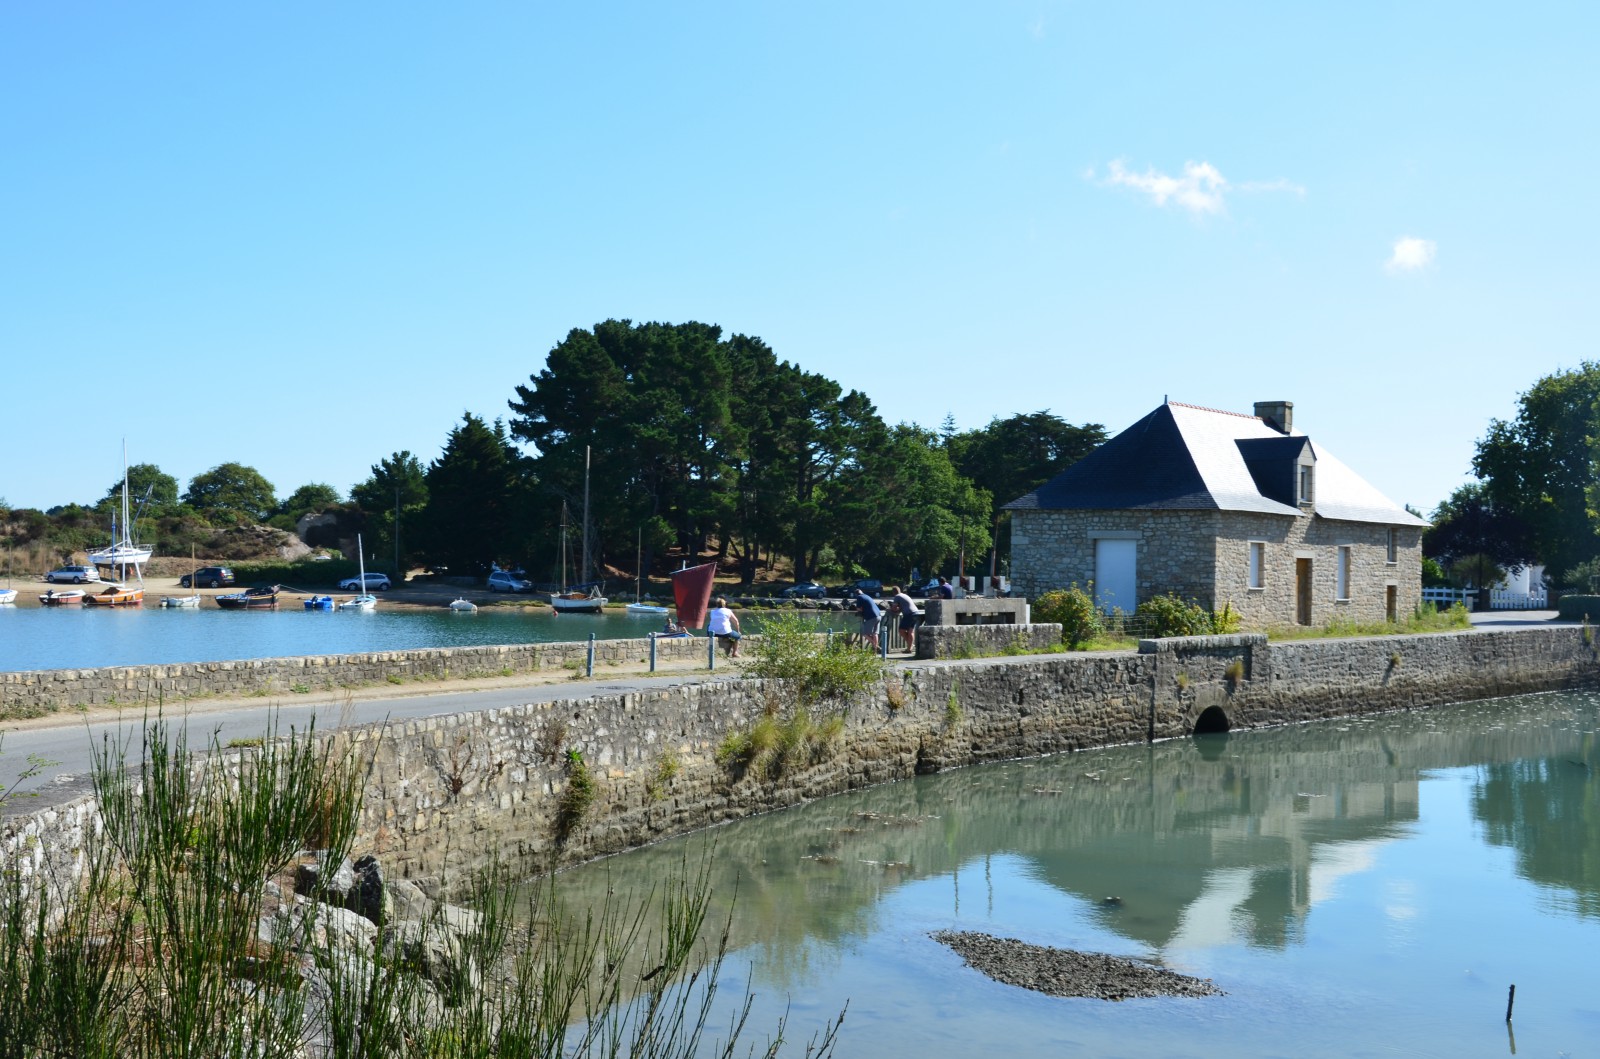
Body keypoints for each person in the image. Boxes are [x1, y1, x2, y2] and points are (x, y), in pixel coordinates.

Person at [888, 585, 921, 654]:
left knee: (901, 630)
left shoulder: (897, 597)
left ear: (893, 592)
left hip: (909, 614)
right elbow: (902, 607)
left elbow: (894, 608)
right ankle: (909, 648)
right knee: (911, 631)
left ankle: (910, 645)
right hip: (916, 612)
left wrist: (889, 609)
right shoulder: (904, 595)